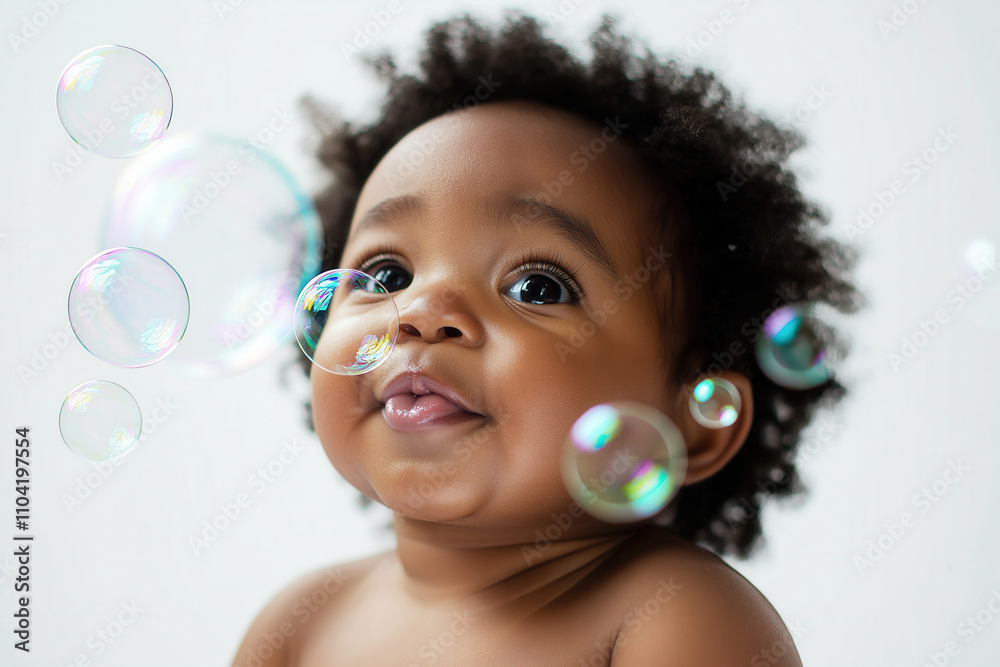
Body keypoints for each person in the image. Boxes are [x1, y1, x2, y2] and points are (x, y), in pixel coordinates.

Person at [233, 12, 859, 665]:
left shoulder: (676, 615)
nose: (422, 310)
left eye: (537, 287)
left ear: (692, 421)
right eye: (387, 273)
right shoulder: (297, 626)